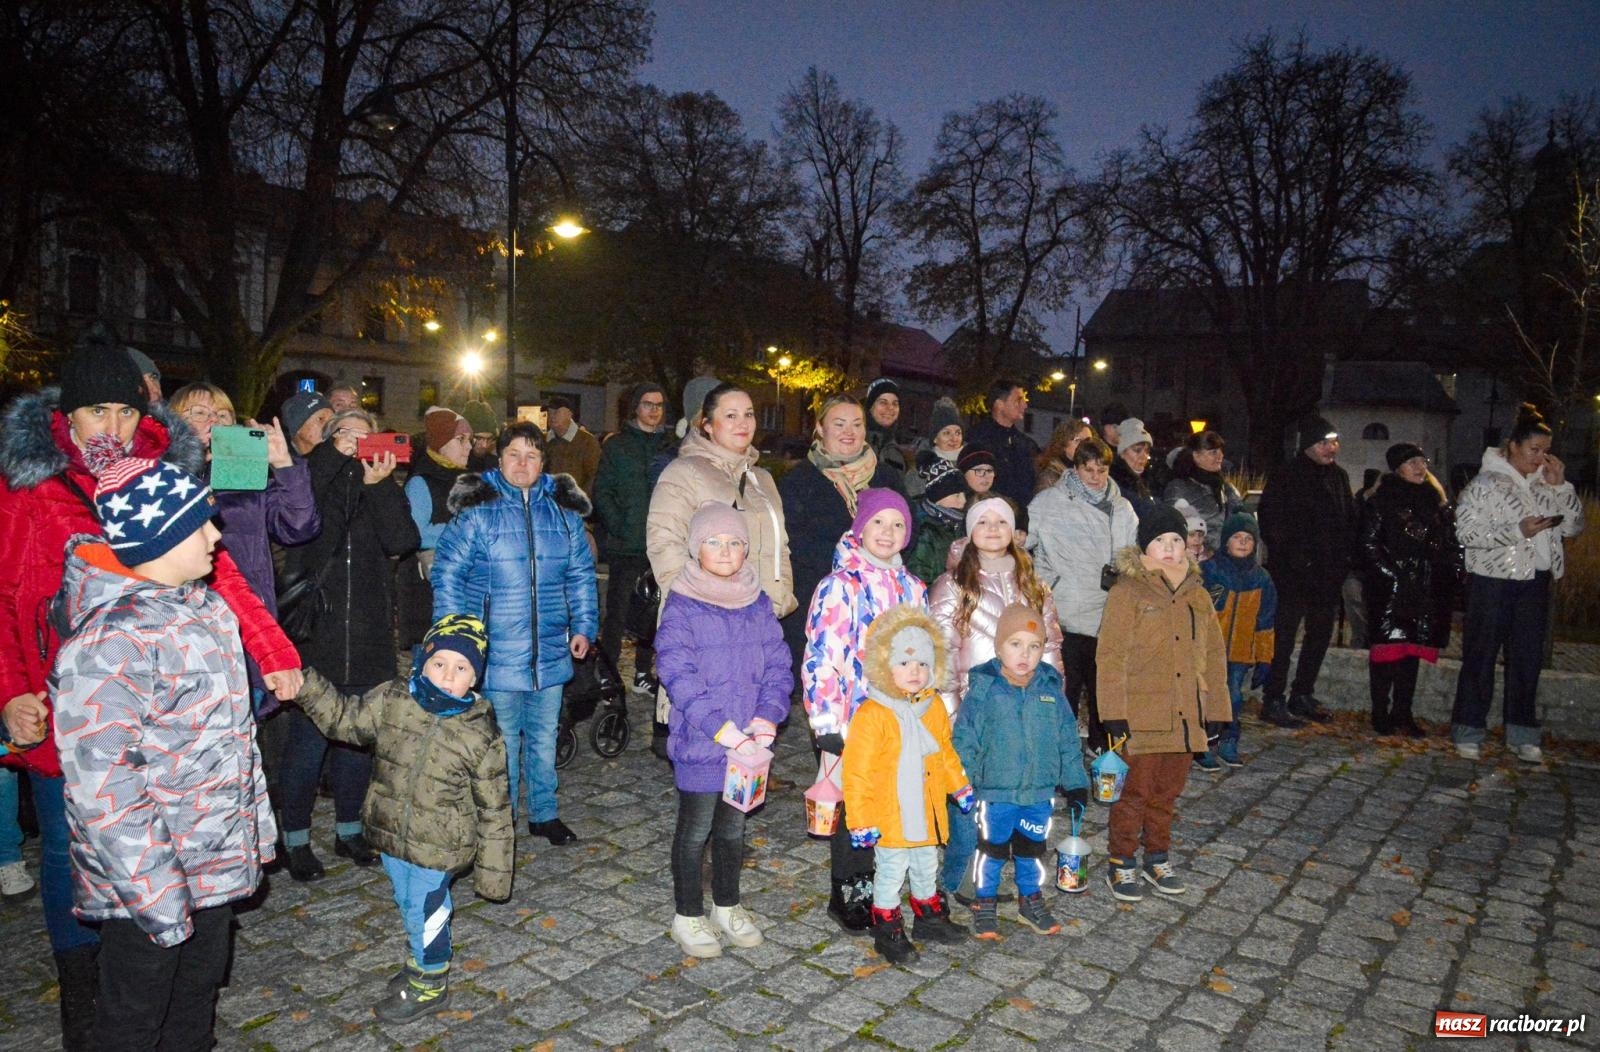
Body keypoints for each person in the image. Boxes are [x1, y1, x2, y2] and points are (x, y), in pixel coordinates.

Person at [0, 343, 300, 1050]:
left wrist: (274, 652)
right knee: (83, 856)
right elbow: (9, 596)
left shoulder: (169, 474)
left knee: (181, 954)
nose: (112, 423)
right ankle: (88, 997)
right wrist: (12, 690)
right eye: (97, 408)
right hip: (67, 699)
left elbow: (222, 574)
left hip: (177, 710)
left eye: (125, 409)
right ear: (64, 414)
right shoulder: (30, 486)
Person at [52, 441, 274, 1051]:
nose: (214, 534)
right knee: (134, 1017)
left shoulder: (205, 610)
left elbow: (235, 740)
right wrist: (155, 893)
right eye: (197, 523)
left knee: (196, 996)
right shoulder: (111, 642)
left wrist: (250, 836)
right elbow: (104, 785)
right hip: (145, 886)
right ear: (155, 539)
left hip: (211, 861)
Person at [293, 615, 512, 1021]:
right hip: (392, 832)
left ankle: (431, 982)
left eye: (461, 668)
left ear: (475, 679)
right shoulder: (393, 700)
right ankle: (418, 962)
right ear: (421, 663)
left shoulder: (479, 734)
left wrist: (494, 874)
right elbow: (345, 719)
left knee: (426, 909)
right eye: (439, 663)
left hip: (439, 845)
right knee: (406, 901)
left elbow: (495, 808)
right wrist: (306, 686)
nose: (448, 676)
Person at [433, 422, 599, 843]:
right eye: (513, 454)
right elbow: (448, 574)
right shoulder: (477, 510)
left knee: (544, 739)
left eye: (532, 455)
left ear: (544, 462)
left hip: (549, 649)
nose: (522, 463)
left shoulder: (562, 513)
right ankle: (498, 819)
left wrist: (583, 625)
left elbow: (581, 574)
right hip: (495, 649)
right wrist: (454, 641)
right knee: (502, 743)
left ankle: (544, 813)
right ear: (499, 457)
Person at [276, 408, 418, 879]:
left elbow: (402, 540)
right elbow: (304, 526)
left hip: (372, 635)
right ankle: (293, 838)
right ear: (328, 439)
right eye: (346, 434)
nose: (356, 443)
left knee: (358, 742)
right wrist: (331, 459)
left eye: (365, 435)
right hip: (318, 635)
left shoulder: (378, 486)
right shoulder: (313, 481)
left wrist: (380, 487)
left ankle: (350, 829)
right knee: (308, 741)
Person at [654, 503, 792, 958]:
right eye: (713, 542)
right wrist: (720, 728)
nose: (725, 551)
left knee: (733, 829)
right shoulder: (683, 603)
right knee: (695, 830)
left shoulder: (757, 601)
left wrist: (768, 716)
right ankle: (687, 913)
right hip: (703, 740)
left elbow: (778, 661)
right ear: (696, 550)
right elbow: (678, 671)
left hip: (748, 745)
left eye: (734, 542)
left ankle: (727, 904)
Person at [928, 496, 1063, 903]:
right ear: (969, 531)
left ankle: (1001, 864)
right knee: (969, 796)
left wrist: (1052, 699)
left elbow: (1052, 642)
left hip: (1023, 707)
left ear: (1013, 530)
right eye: (982, 521)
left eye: (1000, 521)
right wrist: (952, 714)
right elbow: (942, 652)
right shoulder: (954, 586)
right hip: (974, 708)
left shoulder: (1033, 584)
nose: (991, 529)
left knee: (1012, 790)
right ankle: (958, 877)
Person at [648, 383, 795, 755]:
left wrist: (779, 595)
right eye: (730, 415)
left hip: (757, 613)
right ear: (707, 424)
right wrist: (694, 604)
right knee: (708, 717)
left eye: (748, 414)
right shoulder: (685, 473)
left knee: (752, 698)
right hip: (706, 619)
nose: (743, 422)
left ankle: (750, 756)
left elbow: (778, 545)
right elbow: (664, 543)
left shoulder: (762, 480)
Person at [803, 488, 925, 933]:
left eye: (897, 525)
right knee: (855, 807)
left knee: (893, 802)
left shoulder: (913, 588)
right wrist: (825, 722)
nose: (888, 533)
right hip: (853, 719)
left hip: (900, 719)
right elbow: (823, 655)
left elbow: (925, 654)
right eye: (879, 523)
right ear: (861, 528)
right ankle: (849, 888)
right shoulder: (840, 586)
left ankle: (885, 884)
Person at [1097, 504, 1230, 903]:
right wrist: (1113, 714)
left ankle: (1157, 856)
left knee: (1167, 793)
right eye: (1161, 541)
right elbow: (1111, 655)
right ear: (1144, 549)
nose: (1171, 548)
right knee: (1134, 792)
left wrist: (1217, 711)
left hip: (1186, 714)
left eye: (1177, 540)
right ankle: (1121, 861)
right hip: (1142, 713)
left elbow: (1214, 655)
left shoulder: (1199, 596)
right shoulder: (1128, 592)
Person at [169, 382, 321, 712]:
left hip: (248, 629)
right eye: (199, 413)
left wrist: (283, 464)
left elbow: (299, 528)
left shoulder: (246, 479)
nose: (213, 421)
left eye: (222, 415)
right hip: (183, 632)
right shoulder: (164, 476)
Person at [1450, 405, 1584, 762]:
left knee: (1527, 659)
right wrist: (1517, 531)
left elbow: (1572, 527)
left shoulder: (1547, 484)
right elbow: (1466, 532)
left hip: (1535, 581)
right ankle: (1469, 729)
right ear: (1512, 446)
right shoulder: (1485, 484)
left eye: (1545, 451)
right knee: (1480, 656)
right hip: (1493, 582)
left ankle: (1522, 732)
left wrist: (1561, 489)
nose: (1540, 459)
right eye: (1534, 450)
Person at [843, 605, 972, 963]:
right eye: (903, 663)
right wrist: (861, 819)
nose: (914, 672)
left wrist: (958, 785)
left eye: (922, 664)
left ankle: (928, 916)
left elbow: (944, 752)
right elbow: (857, 773)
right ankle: (887, 927)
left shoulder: (931, 708)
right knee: (890, 871)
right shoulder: (872, 716)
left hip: (926, 810)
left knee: (926, 863)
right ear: (885, 666)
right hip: (890, 816)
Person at [952, 604, 1089, 939]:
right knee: (992, 850)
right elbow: (965, 739)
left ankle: (1030, 898)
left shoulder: (1050, 691)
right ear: (999, 647)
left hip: (1038, 793)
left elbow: (1067, 740)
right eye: (1015, 644)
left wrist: (1075, 783)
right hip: (996, 793)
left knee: (1032, 850)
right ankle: (985, 900)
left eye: (1034, 646)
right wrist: (961, 782)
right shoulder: (985, 691)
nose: (1025, 654)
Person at [1027, 437, 1138, 751]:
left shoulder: (1122, 507)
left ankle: (1102, 746)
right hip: (1066, 608)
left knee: (1104, 685)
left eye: (1101, 470)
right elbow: (1024, 542)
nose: (1095, 476)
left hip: (1106, 608)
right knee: (1067, 688)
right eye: (1088, 469)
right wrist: (1041, 580)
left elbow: (1128, 555)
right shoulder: (1049, 502)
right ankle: (1061, 750)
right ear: (1075, 468)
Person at [778, 395, 901, 662]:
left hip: (879, 599)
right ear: (820, 429)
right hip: (821, 604)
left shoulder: (886, 478)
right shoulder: (799, 481)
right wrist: (850, 562)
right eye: (840, 424)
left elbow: (908, 531)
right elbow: (793, 540)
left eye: (857, 424)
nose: (849, 432)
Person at [1256, 412, 1355, 727]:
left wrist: (1343, 560)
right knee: (1283, 638)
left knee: (1319, 635)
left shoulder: (1338, 477)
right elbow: (1272, 521)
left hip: (1327, 576)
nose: (1332, 449)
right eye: (1325, 443)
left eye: (1335, 442)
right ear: (1310, 444)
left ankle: (1302, 693)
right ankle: (1273, 697)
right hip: (1293, 575)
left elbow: (1347, 520)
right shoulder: (1288, 475)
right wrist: (1296, 558)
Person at [1358, 444, 1462, 739]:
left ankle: (1403, 713)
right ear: (1397, 468)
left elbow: (1448, 540)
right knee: (1387, 653)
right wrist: (1393, 577)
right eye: (1412, 462)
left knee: (1411, 653)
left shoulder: (1433, 501)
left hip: (1424, 588)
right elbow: (1368, 545)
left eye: (1422, 460)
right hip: (1392, 589)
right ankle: (1381, 713)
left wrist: (1443, 503)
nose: (1420, 467)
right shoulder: (1382, 501)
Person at [594, 383, 673, 692]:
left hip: (661, 544)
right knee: (617, 612)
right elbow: (603, 491)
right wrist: (620, 525)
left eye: (659, 405)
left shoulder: (670, 448)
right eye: (647, 404)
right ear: (635, 408)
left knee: (654, 613)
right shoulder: (617, 446)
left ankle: (643, 672)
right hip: (626, 545)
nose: (654, 410)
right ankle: (608, 671)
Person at [1201, 513, 1276, 767]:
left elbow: (1265, 622)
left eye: (1248, 538)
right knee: (1207, 695)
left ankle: (1229, 739)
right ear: (1225, 541)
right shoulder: (1210, 570)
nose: (1243, 543)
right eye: (1237, 537)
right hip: (1211, 649)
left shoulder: (1262, 579)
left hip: (1240, 652)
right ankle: (1203, 743)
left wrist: (1264, 658)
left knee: (1233, 696)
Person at [399, 407, 472, 646]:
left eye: (469, 440)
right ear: (441, 442)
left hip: (462, 586)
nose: (468, 446)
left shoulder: (466, 480)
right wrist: (464, 531)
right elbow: (414, 534)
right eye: (461, 440)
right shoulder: (421, 481)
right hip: (427, 595)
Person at [963, 378, 1037, 507]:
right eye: (1018, 400)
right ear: (999, 404)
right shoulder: (977, 439)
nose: (1024, 405)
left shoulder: (1027, 444)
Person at [1163, 430, 1241, 545]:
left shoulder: (1226, 488)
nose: (1220, 456)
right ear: (1196, 456)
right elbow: (1174, 528)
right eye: (1213, 452)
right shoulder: (1178, 488)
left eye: (1220, 450)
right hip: (1197, 556)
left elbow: (1240, 520)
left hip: (1225, 557)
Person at [904, 456, 967, 586]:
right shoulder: (925, 532)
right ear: (938, 498)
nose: (964, 500)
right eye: (957, 495)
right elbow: (919, 578)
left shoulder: (957, 523)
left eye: (964, 494)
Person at [544, 394, 601, 497]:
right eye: (549, 412)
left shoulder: (587, 441)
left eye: (557, 412)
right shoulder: (544, 440)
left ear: (569, 414)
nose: (552, 416)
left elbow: (594, 476)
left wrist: (579, 500)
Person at [863, 377, 911, 492]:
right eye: (883, 402)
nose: (890, 408)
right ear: (870, 407)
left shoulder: (898, 452)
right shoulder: (855, 442)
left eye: (895, 403)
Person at [1035, 419, 1091, 493]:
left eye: (1088, 441)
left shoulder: (1094, 474)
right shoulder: (1051, 477)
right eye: (1078, 441)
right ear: (1063, 444)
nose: (1085, 445)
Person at [1111, 417, 1155, 509]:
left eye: (1147, 451)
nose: (1144, 456)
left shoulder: (1152, 479)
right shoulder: (1116, 484)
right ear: (1122, 453)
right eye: (1137, 450)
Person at [281, 388, 334, 458]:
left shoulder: (337, 459)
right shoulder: (279, 464)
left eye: (332, 420)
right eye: (320, 419)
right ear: (298, 428)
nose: (330, 426)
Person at [461, 399, 500, 472]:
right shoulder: (453, 465)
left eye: (489, 439)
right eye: (479, 438)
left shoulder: (496, 467)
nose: (484, 445)